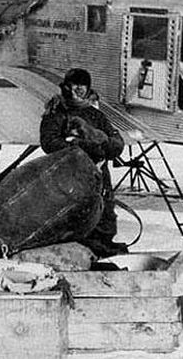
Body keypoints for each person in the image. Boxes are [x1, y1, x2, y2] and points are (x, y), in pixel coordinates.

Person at [40, 67, 127, 257]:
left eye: (81, 87)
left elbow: (116, 142)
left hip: (98, 175)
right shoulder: (56, 112)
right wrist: (81, 146)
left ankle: (103, 253)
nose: (76, 91)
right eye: (72, 86)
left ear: (87, 89)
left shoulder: (95, 114)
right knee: (75, 219)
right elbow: (49, 142)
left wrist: (105, 147)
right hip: (69, 175)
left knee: (105, 217)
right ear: (66, 87)